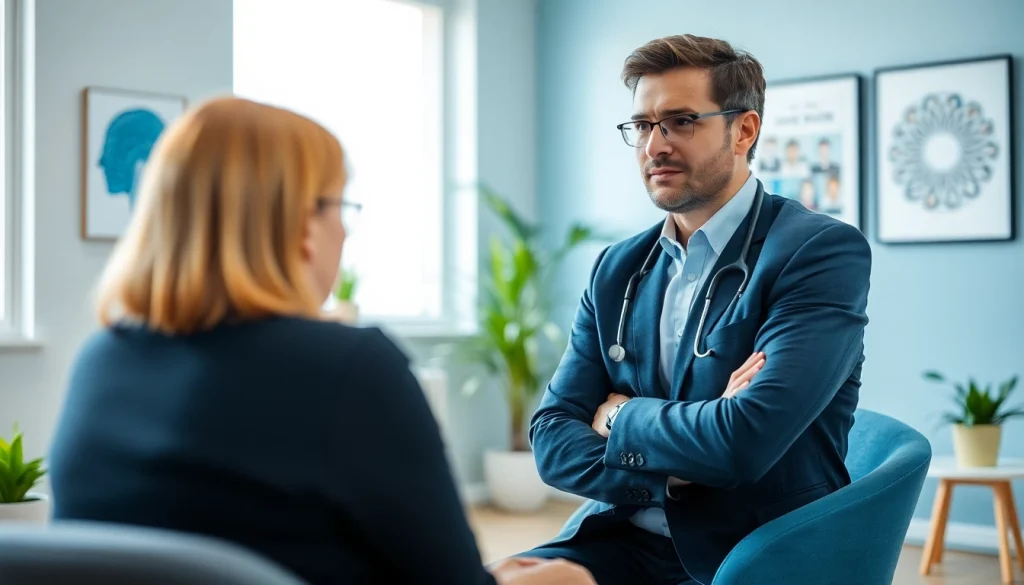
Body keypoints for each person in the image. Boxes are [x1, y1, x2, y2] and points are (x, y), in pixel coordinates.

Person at [47, 96, 596, 585]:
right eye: (339, 205)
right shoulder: (350, 370)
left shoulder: (100, 361)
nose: (345, 230)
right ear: (299, 224)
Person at [516, 34, 871, 585]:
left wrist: (619, 417)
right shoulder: (617, 267)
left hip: (753, 554)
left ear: (743, 130)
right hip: (627, 539)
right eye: (642, 126)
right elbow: (552, 437)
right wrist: (670, 476)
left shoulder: (818, 252)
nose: (654, 146)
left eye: (681, 121)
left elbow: (742, 441)